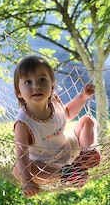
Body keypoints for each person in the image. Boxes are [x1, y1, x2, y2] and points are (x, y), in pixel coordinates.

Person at [12, 55, 101, 197]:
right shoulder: (23, 123)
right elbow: (21, 155)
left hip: (69, 148)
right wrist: (27, 181)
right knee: (19, 170)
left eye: (42, 80)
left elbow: (68, 113)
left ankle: (85, 155)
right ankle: (68, 173)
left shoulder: (54, 101)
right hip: (46, 165)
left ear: (52, 86)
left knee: (87, 121)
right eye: (28, 82)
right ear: (19, 92)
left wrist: (82, 97)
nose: (36, 86)